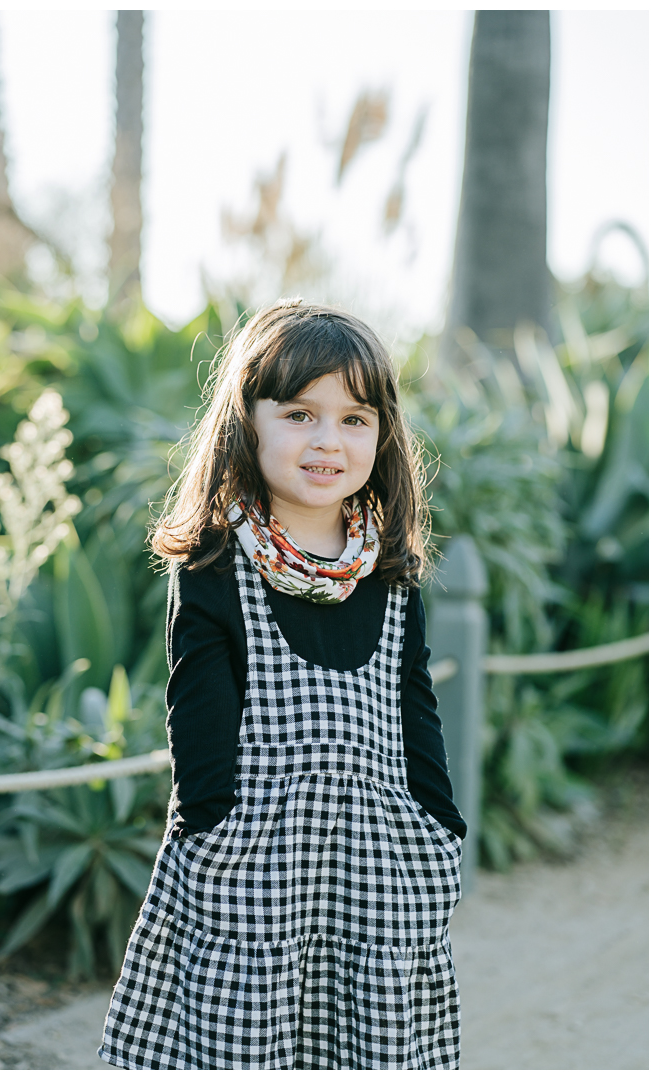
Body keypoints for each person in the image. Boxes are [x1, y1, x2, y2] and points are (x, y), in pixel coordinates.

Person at [98, 299, 466, 1070]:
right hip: (251, 872)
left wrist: (442, 826)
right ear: (248, 422)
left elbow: (414, 707)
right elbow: (196, 707)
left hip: (377, 873)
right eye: (300, 413)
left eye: (355, 418)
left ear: (382, 435)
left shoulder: (390, 574)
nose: (328, 440)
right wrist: (211, 827)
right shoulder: (216, 562)